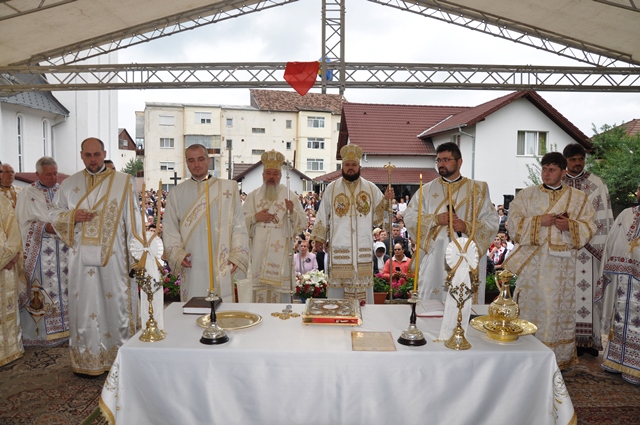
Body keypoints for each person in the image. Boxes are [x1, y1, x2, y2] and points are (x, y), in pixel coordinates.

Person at [49, 137, 141, 377]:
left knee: (115, 303)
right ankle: (87, 359)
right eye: (88, 155)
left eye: (97, 154)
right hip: (80, 259)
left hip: (115, 258)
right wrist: (72, 217)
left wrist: (137, 257)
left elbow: (134, 221)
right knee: (85, 304)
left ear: (104, 153)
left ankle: (117, 358)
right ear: (81, 155)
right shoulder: (69, 184)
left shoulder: (123, 182)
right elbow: (54, 214)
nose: (93, 159)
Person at [503, 152, 596, 370]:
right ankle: (527, 355)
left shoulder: (578, 198)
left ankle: (556, 359)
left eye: (552, 169)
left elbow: (590, 226)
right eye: (544, 168)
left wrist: (570, 226)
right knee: (530, 307)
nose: (546, 173)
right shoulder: (526, 195)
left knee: (556, 310)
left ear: (563, 172)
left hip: (562, 268)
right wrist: (539, 221)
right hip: (533, 266)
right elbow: (513, 225)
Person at [404, 142, 497, 303]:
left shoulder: (478, 189)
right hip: (434, 258)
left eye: (446, 159)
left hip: (465, 257)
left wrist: (467, 226)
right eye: (438, 160)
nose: (441, 164)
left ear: (459, 162)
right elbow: (410, 217)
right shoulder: (426, 190)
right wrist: (435, 220)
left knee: (462, 305)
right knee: (430, 306)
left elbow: (492, 221)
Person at [163, 144, 249, 303]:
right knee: (193, 308)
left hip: (222, 261)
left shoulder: (228, 188)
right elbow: (169, 228)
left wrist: (237, 253)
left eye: (201, 159)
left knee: (222, 312)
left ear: (208, 161)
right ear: (186, 163)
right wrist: (177, 253)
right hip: (192, 261)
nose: (196, 164)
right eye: (191, 160)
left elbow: (239, 225)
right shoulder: (177, 193)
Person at [311, 144, 394, 304]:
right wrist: (319, 238)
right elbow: (323, 214)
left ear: (359, 166)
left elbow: (380, 218)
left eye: (353, 165)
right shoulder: (332, 189)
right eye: (347, 165)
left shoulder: (370, 188)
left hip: (362, 248)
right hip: (339, 248)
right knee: (338, 293)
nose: (350, 168)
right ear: (342, 166)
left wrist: (387, 201)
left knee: (363, 294)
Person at [562, 143, 614, 356]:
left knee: (589, 294)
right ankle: (567, 339)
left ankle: (590, 343)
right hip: (563, 247)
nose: (577, 163)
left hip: (589, 248)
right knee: (565, 294)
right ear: (566, 161)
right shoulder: (559, 182)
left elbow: (603, 215)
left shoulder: (597, 183)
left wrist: (585, 235)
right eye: (573, 159)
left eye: (580, 159)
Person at [16, 157, 69, 347]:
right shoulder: (27, 193)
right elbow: (22, 223)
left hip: (63, 250)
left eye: (55, 173)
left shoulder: (62, 191)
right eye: (48, 174)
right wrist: (44, 228)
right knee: (42, 290)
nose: (53, 177)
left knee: (65, 288)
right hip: (39, 251)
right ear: (38, 174)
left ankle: (67, 329)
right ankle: (41, 335)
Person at [243, 150, 306, 303]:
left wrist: (292, 212)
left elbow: (302, 223)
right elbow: (239, 223)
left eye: (275, 173)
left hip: (281, 256)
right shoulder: (253, 196)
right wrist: (255, 217)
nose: (272, 177)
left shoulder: (290, 196)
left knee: (280, 300)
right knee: (259, 295)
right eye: (268, 173)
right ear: (263, 175)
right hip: (258, 253)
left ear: (281, 176)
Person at [595, 183, 640, 385]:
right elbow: (613, 239)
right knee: (620, 315)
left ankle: (635, 365)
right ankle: (616, 359)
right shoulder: (626, 214)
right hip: (623, 275)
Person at [0, 195, 24, 367]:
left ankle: (10, 349)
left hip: (6, 262)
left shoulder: (2, 199)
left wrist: (11, 255)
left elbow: (13, 229)